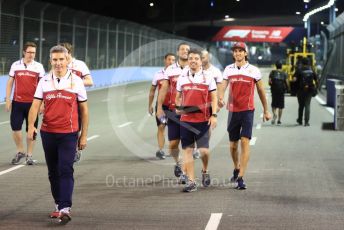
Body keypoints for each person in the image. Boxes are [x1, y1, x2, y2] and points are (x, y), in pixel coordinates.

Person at [27, 45, 89, 224]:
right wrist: (31, 125)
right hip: (48, 133)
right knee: (53, 172)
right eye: (55, 60)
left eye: (61, 59)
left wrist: (83, 135)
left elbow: (84, 110)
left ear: (67, 60)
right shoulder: (44, 81)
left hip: (69, 134)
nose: (58, 63)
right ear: (50, 61)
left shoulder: (77, 81)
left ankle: (65, 207)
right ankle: (58, 204)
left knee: (65, 169)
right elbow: (35, 105)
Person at [219, 42, 271, 190]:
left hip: (248, 111)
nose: (238, 53)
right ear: (233, 54)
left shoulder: (253, 70)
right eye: (235, 51)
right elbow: (223, 85)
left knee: (244, 141)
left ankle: (241, 177)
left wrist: (266, 110)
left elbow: (261, 90)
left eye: (240, 51)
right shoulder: (228, 69)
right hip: (233, 111)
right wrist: (221, 98)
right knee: (233, 145)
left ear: (245, 53)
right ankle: (236, 168)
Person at [175, 48, 217, 192]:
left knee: (204, 151)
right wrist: (178, 107)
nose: (193, 60)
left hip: (203, 120)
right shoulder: (182, 77)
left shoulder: (208, 77)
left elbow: (214, 98)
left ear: (201, 61)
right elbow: (178, 96)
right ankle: (192, 182)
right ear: (188, 60)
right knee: (187, 150)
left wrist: (214, 115)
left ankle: (205, 170)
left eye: (196, 58)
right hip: (186, 119)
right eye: (190, 58)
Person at [5, 41, 45, 165]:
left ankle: (29, 155)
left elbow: (43, 85)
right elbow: (10, 82)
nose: (31, 55)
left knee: (31, 130)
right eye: (29, 52)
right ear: (24, 52)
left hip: (33, 104)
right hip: (17, 103)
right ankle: (20, 151)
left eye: (33, 52)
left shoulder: (39, 66)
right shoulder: (15, 65)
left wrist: (42, 103)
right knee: (15, 127)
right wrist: (8, 98)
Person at [156, 42, 190, 181]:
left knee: (187, 144)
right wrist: (159, 107)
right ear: (178, 52)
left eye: (187, 49)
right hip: (172, 111)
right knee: (173, 144)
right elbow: (163, 89)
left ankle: (185, 172)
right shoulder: (170, 69)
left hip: (189, 112)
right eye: (182, 49)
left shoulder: (194, 67)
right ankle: (178, 163)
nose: (184, 51)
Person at [60, 42, 93, 163]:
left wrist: (74, 82)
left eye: (64, 53)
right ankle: (67, 149)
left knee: (75, 127)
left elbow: (90, 81)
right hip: (61, 101)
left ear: (69, 53)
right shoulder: (59, 65)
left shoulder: (80, 64)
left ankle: (73, 151)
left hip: (77, 102)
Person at [148, 53, 176, 159]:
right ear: (165, 60)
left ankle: (172, 150)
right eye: (169, 59)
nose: (171, 62)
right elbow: (152, 90)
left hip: (174, 106)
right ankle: (160, 150)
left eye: (173, 60)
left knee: (174, 129)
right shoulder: (158, 74)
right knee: (161, 126)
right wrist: (150, 105)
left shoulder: (178, 73)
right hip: (162, 106)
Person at [293, 57, 318, 126]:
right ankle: (306, 122)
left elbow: (294, 79)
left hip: (300, 90)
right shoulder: (312, 70)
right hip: (310, 89)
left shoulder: (299, 70)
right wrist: (315, 87)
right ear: (309, 63)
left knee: (301, 105)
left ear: (302, 63)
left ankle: (300, 120)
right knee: (307, 105)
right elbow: (316, 80)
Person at [269, 60, 288, 125]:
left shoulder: (272, 72)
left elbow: (269, 82)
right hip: (281, 91)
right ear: (281, 66)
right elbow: (286, 82)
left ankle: (274, 114)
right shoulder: (284, 73)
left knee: (274, 104)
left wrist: (272, 85)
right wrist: (287, 88)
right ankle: (279, 120)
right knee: (280, 106)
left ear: (276, 66)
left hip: (274, 90)